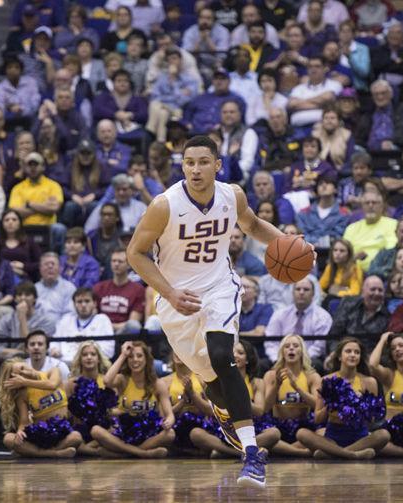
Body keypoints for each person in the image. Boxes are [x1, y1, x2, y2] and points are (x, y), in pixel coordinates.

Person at [126, 135, 297, 487]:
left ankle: (251, 455)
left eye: (203, 162)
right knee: (212, 379)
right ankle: (223, 411)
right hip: (176, 301)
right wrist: (170, 293)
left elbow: (251, 225)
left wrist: (287, 243)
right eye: (189, 162)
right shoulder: (164, 205)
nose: (195, 169)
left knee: (223, 355)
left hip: (220, 287)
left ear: (217, 165)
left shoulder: (232, 195)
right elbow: (135, 254)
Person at [295, 338, 390, 459]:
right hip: (333, 436)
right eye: (348, 351)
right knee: (302, 434)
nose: (352, 355)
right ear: (339, 356)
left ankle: (334, 454)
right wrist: (332, 403)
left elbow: (371, 420)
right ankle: (353, 455)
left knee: (384, 435)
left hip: (359, 436)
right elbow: (318, 419)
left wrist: (359, 406)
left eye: (357, 352)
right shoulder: (326, 380)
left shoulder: (369, 382)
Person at [90, 341, 175, 458]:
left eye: (139, 356)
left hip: (148, 433)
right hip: (124, 433)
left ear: (147, 359)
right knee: (96, 430)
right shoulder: (122, 380)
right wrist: (123, 355)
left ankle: (123, 454)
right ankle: (142, 453)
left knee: (170, 434)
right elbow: (107, 381)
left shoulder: (157, 384)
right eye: (131, 357)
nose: (135, 360)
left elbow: (170, 414)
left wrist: (169, 421)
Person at [0, 358, 82, 458]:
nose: (24, 373)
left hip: (61, 432)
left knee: (76, 437)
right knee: (8, 438)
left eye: (23, 368)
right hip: (41, 434)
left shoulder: (52, 371)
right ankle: (55, 453)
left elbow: (52, 385)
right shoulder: (22, 394)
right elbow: (24, 422)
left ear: (27, 364)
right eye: (20, 375)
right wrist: (20, 431)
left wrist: (25, 382)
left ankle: (36, 453)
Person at [265, 277, 332, 369]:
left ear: (313, 294)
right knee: (262, 365)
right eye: (298, 289)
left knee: (318, 365)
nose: (301, 292)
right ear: (292, 293)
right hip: (281, 359)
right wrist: (277, 359)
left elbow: (319, 347)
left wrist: (300, 360)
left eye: (306, 289)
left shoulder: (323, 316)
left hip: (310, 359)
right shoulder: (280, 314)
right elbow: (270, 342)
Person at [8, 151, 66, 253]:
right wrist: (43, 208)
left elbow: (54, 208)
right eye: (30, 165)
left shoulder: (53, 186)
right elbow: (15, 212)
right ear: (25, 168)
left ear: (43, 167)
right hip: (24, 227)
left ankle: (58, 260)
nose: (33, 168)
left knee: (59, 229)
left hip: (47, 226)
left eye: (36, 164)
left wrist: (29, 205)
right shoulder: (17, 188)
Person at [65, 340, 115, 455]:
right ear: (80, 359)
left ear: (99, 359)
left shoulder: (107, 381)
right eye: (85, 354)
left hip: (103, 428)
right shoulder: (71, 383)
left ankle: (86, 450)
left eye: (93, 354)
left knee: (115, 430)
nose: (89, 357)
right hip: (80, 428)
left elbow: (114, 408)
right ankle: (98, 452)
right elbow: (65, 410)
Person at [51, 288, 115, 365]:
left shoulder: (102, 320)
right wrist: (54, 349)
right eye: (79, 302)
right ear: (74, 304)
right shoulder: (65, 320)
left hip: (93, 366)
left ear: (94, 303)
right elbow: (54, 342)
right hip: (66, 365)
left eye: (87, 301)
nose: (83, 305)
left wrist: (87, 352)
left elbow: (109, 350)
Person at [0, 281, 56, 359]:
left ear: (35, 299)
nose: (23, 298)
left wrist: (22, 318)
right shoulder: (6, 320)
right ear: (15, 299)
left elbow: (32, 348)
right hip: (8, 361)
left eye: (27, 295)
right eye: (19, 295)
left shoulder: (46, 321)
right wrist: (19, 353)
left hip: (36, 361)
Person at [328, 275, 391, 350]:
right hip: (344, 353)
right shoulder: (348, 304)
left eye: (380, 290)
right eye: (373, 289)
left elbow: (384, 347)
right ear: (363, 291)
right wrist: (335, 353)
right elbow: (333, 335)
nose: (377, 293)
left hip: (370, 357)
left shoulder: (387, 316)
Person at [60, 139, 111, 228]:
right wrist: (72, 196)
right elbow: (62, 187)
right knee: (69, 206)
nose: (85, 156)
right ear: (78, 154)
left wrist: (94, 195)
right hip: (75, 201)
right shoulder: (70, 167)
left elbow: (107, 187)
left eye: (88, 153)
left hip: (93, 201)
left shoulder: (101, 167)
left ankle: (94, 234)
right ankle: (69, 235)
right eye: (82, 153)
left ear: (93, 154)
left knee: (94, 206)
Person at [93, 248, 145, 334]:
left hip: (122, 332)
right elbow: (93, 316)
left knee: (133, 326)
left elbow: (133, 321)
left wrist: (110, 326)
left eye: (120, 261)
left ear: (129, 265)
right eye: (113, 261)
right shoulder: (99, 288)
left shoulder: (138, 289)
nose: (116, 264)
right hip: (100, 330)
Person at [343, 190, 398, 272]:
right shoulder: (351, 228)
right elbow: (343, 253)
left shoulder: (393, 225)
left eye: (374, 203)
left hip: (382, 271)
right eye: (367, 203)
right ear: (362, 207)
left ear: (382, 206)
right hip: (354, 272)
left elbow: (391, 251)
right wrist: (354, 258)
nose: (370, 206)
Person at [296, 175, 349, 250]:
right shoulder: (303, 213)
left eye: (328, 183)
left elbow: (337, 237)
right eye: (320, 184)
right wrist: (323, 241)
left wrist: (313, 241)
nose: (324, 185)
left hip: (332, 255)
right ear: (316, 190)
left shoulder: (343, 214)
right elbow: (301, 236)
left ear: (335, 189)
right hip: (306, 253)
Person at [0, 209, 42, 282]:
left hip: (25, 281)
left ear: (20, 223)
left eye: (14, 220)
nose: (10, 222)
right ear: (2, 224)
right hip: (2, 280)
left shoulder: (29, 242)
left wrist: (24, 266)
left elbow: (40, 264)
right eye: (7, 220)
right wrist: (9, 268)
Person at [35, 252, 76, 324]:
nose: (50, 267)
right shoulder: (34, 289)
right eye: (46, 264)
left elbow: (70, 315)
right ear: (40, 268)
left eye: (53, 264)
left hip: (62, 330)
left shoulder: (69, 288)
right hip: (37, 330)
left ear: (60, 268)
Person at [319, 238, 363, 303]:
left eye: (342, 251)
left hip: (347, 303)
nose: (337, 253)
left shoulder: (355, 269)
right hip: (331, 298)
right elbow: (319, 287)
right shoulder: (330, 267)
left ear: (349, 254)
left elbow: (355, 292)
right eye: (335, 250)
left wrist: (337, 293)